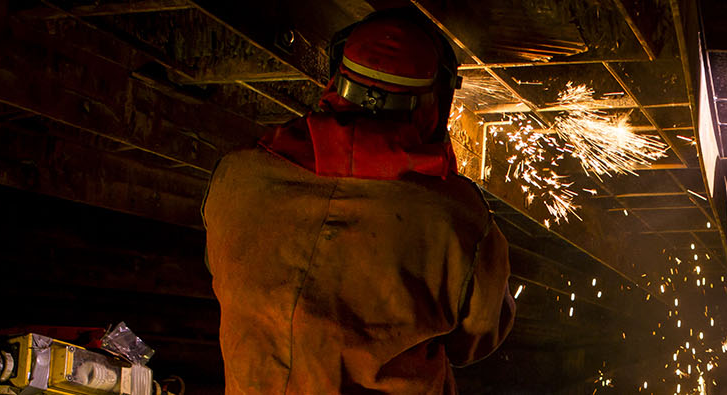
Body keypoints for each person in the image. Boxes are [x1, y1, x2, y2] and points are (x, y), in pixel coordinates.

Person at [202, 9, 513, 394]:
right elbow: (477, 340)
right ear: (436, 101)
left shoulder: (237, 175)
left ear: (337, 77)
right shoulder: (459, 219)